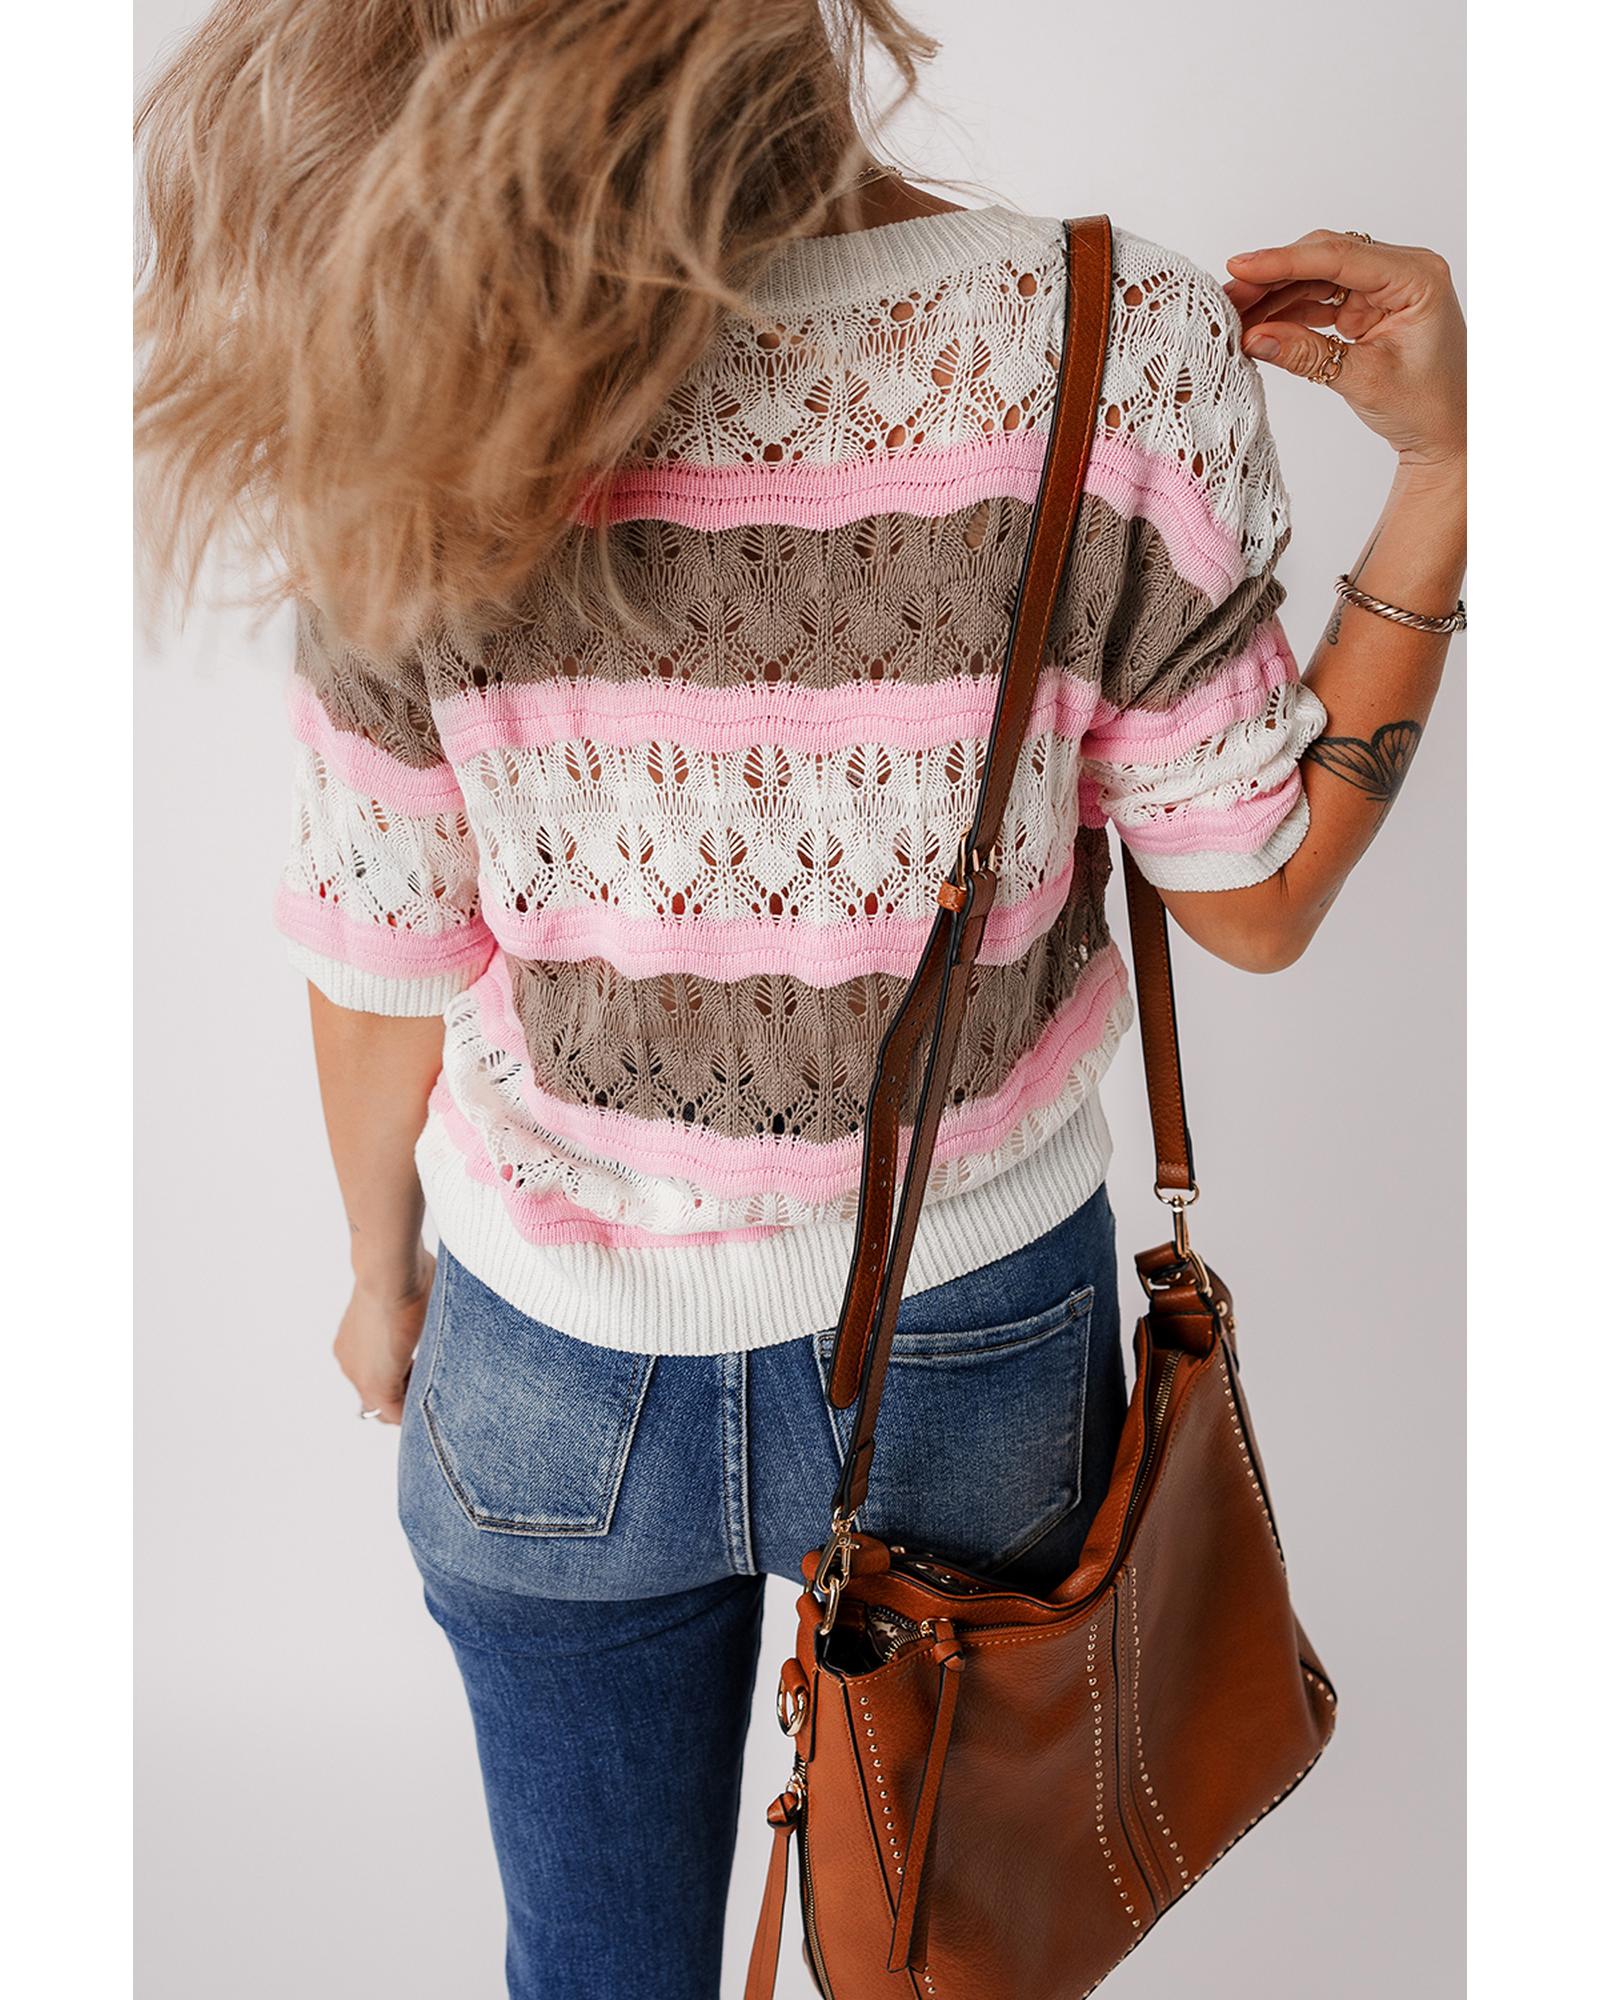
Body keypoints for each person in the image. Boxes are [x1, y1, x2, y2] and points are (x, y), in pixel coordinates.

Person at [135, 3, 1466, 1994]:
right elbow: (1256, 900)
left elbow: (378, 955)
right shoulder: (1109, 337)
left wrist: (378, 1280)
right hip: (972, 1337)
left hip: (546, 1364)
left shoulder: (408, 381)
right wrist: (1444, 467)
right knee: (958, 1956)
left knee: (595, 1967)